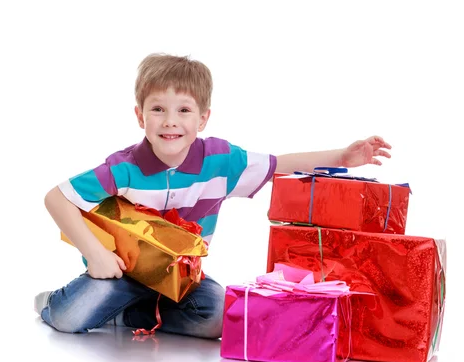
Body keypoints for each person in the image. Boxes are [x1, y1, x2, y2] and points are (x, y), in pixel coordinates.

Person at [34, 53, 391, 339]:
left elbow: (278, 165)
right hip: (121, 276)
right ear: (140, 116)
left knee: (222, 317)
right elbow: (57, 198)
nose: (170, 121)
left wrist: (342, 159)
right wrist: (95, 254)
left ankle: (129, 316)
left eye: (184, 110)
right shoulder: (123, 168)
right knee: (69, 318)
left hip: (182, 280)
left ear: (203, 119)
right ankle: (56, 301)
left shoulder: (220, 162)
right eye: (158, 109)